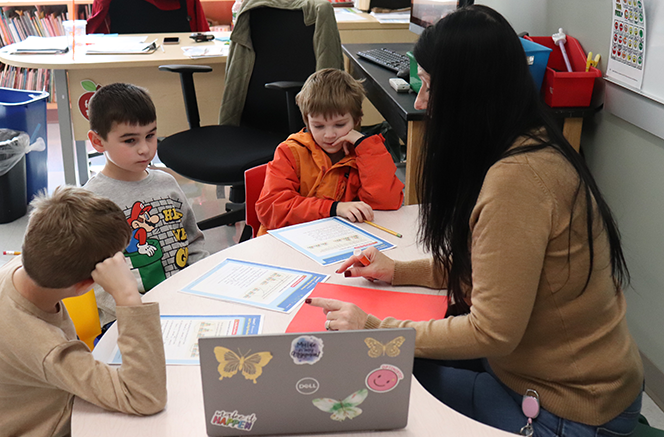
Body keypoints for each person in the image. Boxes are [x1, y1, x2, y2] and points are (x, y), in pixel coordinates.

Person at [307, 5, 644, 437]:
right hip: (565, 379)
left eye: (429, 86)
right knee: (400, 360)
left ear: (471, 94)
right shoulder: (529, 142)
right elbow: (502, 275)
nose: (422, 101)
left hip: (571, 410)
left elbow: (492, 331)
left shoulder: (518, 183)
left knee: (379, 377)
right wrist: (399, 270)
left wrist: (373, 328)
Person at [0, 186, 167, 436]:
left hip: (41, 402)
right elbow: (146, 398)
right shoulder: (47, 348)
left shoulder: (18, 267)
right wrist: (128, 297)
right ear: (86, 285)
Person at [84, 83, 208, 328]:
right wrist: (137, 310)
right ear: (98, 142)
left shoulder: (167, 183)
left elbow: (193, 242)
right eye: (130, 140)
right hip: (127, 317)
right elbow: (91, 279)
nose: (145, 149)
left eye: (151, 135)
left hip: (182, 303)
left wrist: (199, 286)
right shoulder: (91, 201)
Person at [255, 68, 404, 235]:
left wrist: (366, 146)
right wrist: (334, 208)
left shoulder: (365, 153)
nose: (329, 135)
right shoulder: (290, 152)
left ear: (356, 120)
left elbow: (386, 203)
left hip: (337, 240)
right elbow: (271, 210)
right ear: (307, 121)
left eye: (340, 125)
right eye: (318, 126)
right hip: (288, 243)